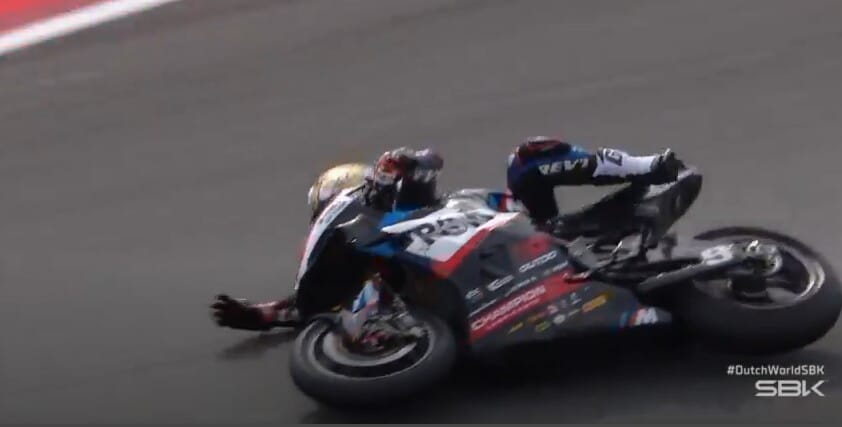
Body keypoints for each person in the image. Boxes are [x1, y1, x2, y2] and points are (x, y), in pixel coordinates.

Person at [211, 136, 684, 332]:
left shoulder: (414, 196)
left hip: (526, 235)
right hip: (464, 296)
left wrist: (404, 165)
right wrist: (259, 315)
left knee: (528, 156)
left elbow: (429, 160)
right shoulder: (354, 260)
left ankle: (647, 167)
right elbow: (305, 303)